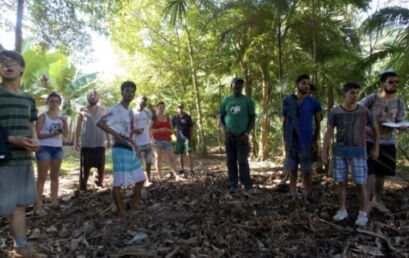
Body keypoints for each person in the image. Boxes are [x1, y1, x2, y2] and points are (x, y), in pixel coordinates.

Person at [0, 50, 46, 257]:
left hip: (23, 160)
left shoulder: (28, 99)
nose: (7, 65)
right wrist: (12, 140)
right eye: (3, 62)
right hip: (2, 160)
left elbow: (31, 127)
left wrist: (34, 140)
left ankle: (21, 248)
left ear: (22, 68)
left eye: (12, 62)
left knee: (19, 206)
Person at [322, 82, 379, 226]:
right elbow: (329, 131)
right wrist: (324, 150)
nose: (355, 95)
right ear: (344, 94)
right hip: (340, 151)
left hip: (359, 152)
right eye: (352, 92)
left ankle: (363, 213)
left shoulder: (364, 111)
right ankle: (342, 210)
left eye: (357, 92)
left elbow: (375, 128)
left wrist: (376, 147)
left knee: (361, 183)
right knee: (341, 182)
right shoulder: (335, 112)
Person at [97, 81, 145, 217]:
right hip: (119, 148)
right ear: (122, 92)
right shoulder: (115, 109)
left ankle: (135, 204)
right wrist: (115, 134)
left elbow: (128, 130)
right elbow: (100, 123)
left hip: (129, 147)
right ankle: (120, 211)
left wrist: (135, 142)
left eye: (132, 91)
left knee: (140, 178)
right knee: (118, 182)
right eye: (127, 91)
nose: (130, 93)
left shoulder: (130, 111)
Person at [360, 71, 406, 213]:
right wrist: (369, 130)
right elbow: (358, 115)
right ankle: (365, 204)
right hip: (369, 140)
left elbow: (399, 120)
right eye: (391, 82)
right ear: (382, 83)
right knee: (369, 172)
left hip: (388, 142)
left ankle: (377, 201)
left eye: (396, 82)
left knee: (382, 173)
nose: (394, 85)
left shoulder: (398, 102)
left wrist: (402, 127)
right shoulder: (371, 99)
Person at [282, 74, 322, 208]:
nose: (306, 86)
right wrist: (285, 142)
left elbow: (318, 122)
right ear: (297, 85)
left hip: (307, 141)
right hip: (292, 141)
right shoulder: (288, 101)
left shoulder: (313, 102)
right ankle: (293, 194)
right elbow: (284, 122)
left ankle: (307, 195)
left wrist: (315, 142)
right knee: (292, 169)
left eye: (308, 84)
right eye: (303, 83)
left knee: (307, 170)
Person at [219, 77, 255, 196]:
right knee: (231, 161)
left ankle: (247, 186)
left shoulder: (248, 101)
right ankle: (233, 185)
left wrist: (246, 133)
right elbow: (221, 117)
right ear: (231, 86)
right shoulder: (226, 101)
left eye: (240, 85)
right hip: (229, 137)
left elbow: (252, 118)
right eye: (236, 84)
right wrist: (225, 130)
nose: (238, 87)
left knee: (242, 161)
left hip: (242, 137)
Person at [34, 92, 68, 216]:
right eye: (51, 101)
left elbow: (66, 135)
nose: (54, 103)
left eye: (56, 101)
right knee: (42, 178)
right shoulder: (43, 116)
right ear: (47, 102)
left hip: (57, 148)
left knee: (55, 176)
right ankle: (38, 205)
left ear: (60, 103)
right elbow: (38, 134)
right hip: (44, 148)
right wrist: (52, 134)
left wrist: (65, 123)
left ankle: (54, 201)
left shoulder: (61, 117)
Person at [75, 90, 111, 190]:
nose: (93, 96)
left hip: (100, 142)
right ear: (87, 97)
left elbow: (106, 125)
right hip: (86, 143)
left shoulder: (103, 110)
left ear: (98, 97)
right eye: (90, 95)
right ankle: (83, 187)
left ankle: (98, 184)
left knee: (100, 166)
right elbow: (78, 126)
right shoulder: (82, 110)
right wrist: (76, 141)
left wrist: (108, 140)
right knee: (84, 168)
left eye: (95, 94)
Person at [149, 102, 182, 181]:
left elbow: (172, 130)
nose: (162, 109)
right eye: (160, 107)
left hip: (167, 140)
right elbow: (149, 130)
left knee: (171, 158)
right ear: (157, 108)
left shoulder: (167, 118)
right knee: (158, 158)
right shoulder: (153, 118)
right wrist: (159, 130)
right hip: (157, 141)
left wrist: (167, 130)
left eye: (163, 107)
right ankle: (160, 177)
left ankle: (177, 176)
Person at [133, 95, 155, 184]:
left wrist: (152, 108)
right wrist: (135, 130)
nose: (143, 103)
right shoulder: (131, 112)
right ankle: (139, 181)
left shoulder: (146, 112)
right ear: (136, 101)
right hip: (137, 143)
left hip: (147, 141)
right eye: (142, 101)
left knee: (149, 163)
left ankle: (148, 180)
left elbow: (155, 118)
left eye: (144, 102)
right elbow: (127, 127)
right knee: (138, 164)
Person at [172, 103, 194, 176]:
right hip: (179, 139)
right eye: (178, 108)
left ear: (183, 108)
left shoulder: (187, 117)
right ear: (177, 108)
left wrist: (189, 136)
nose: (180, 109)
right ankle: (182, 169)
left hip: (186, 139)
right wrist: (175, 134)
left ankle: (191, 170)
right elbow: (172, 127)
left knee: (188, 154)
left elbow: (191, 128)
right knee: (180, 155)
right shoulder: (175, 117)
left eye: (181, 108)